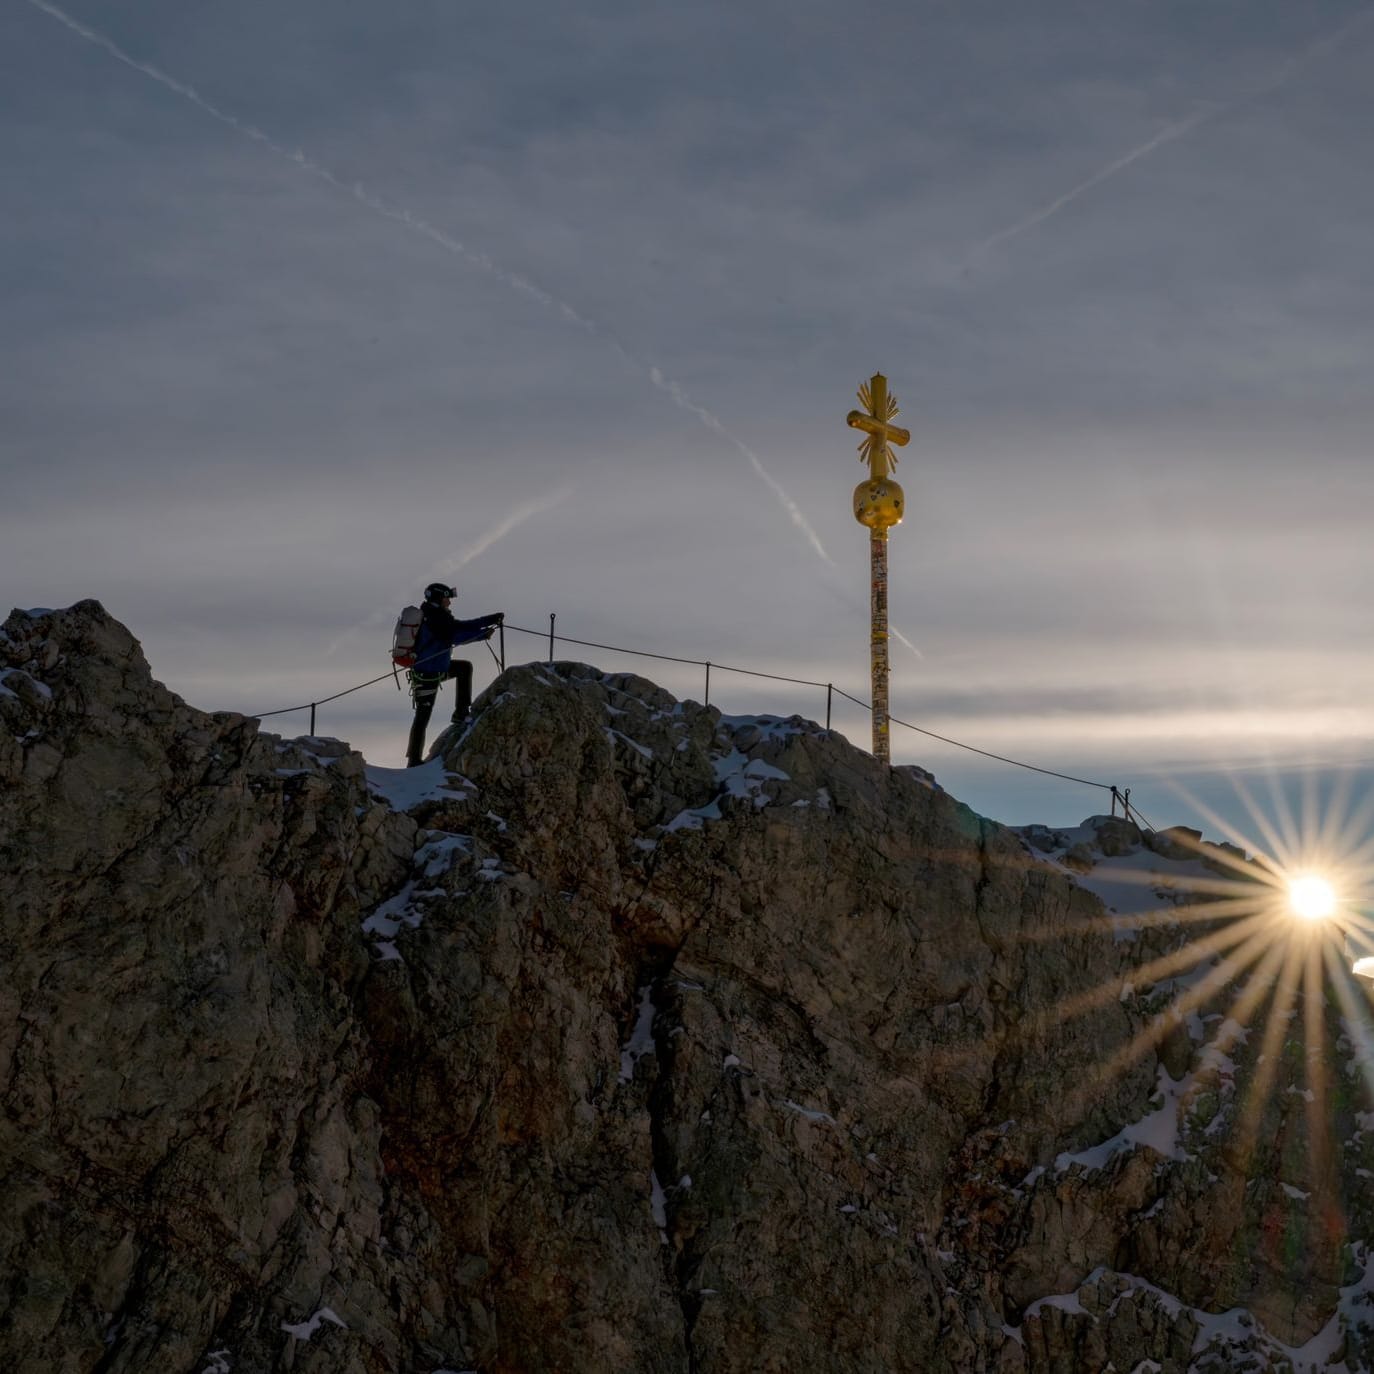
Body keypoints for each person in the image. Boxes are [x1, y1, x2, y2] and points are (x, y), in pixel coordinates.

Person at [406, 583, 503, 767]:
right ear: (438, 598)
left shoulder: (436, 616)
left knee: (464, 668)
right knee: (422, 715)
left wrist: (489, 620)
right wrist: (481, 635)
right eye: (447, 598)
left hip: (433, 670)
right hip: (429, 674)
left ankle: (460, 712)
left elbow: (460, 627)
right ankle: (413, 760)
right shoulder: (435, 618)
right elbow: (454, 637)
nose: (449, 602)